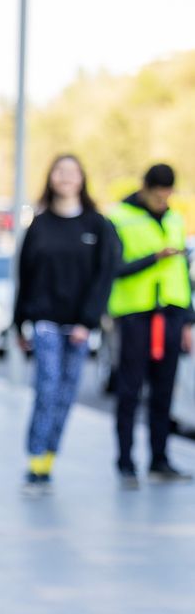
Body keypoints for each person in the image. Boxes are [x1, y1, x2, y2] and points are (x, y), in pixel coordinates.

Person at [14, 154, 116, 495]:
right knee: (47, 388)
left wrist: (88, 322)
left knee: (66, 394)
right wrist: (19, 324)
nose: (66, 177)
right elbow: (24, 276)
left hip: (80, 326)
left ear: (82, 178)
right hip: (44, 323)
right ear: (51, 178)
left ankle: (49, 459)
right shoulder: (39, 225)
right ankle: (35, 462)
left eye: (73, 171)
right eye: (60, 170)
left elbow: (104, 277)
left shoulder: (97, 225)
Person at [107, 164, 194, 487]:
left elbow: (182, 272)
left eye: (167, 195)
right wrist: (153, 258)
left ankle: (159, 459)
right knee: (129, 392)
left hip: (170, 315)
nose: (163, 201)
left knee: (164, 392)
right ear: (145, 188)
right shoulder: (118, 217)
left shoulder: (174, 217)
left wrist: (187, 318)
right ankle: (126, 462)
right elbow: (113, 268)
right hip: (135, 316)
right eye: (158, 195)